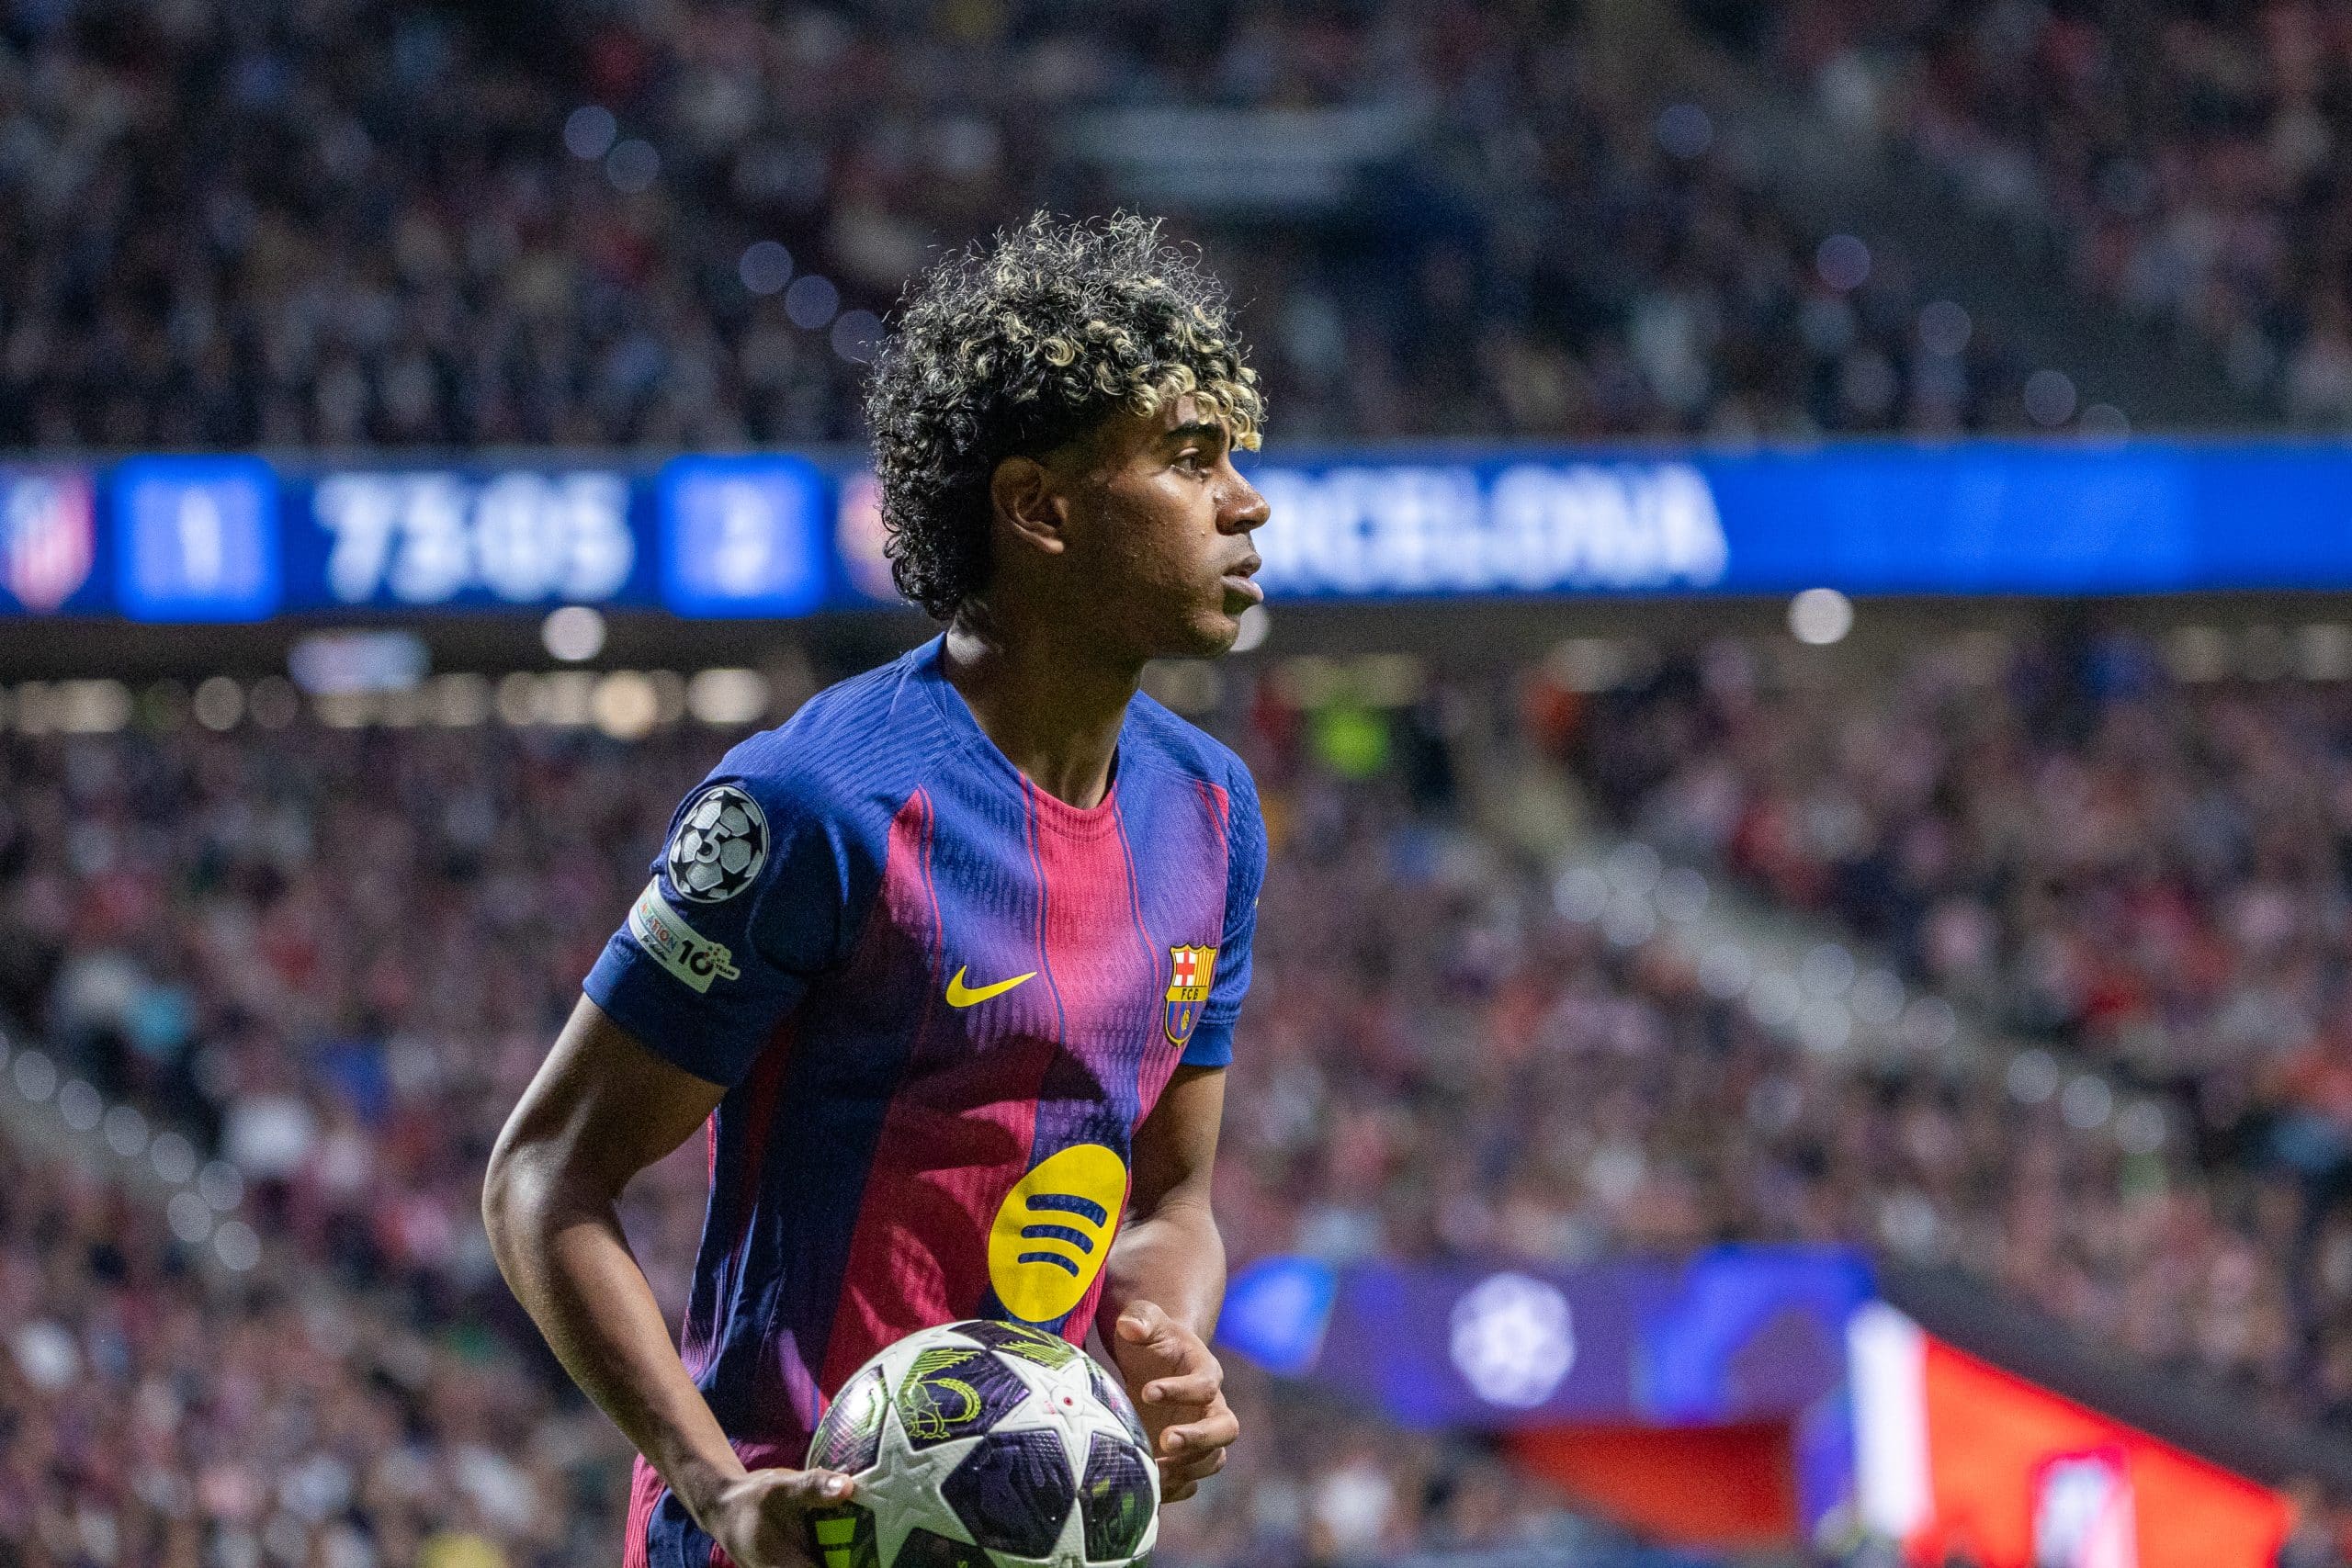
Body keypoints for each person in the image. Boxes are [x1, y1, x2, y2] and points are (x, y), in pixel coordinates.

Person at [482, 211, 1272, 1568]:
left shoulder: (1210, 811)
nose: (1245, 502)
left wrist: (1168, 1343)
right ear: (1039, 509)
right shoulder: (817, 803)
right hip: (785, 1535)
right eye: (1192, 460)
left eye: (1234, 461)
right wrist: (714, 1483)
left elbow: (1168, 1205)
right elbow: (545, 1176)